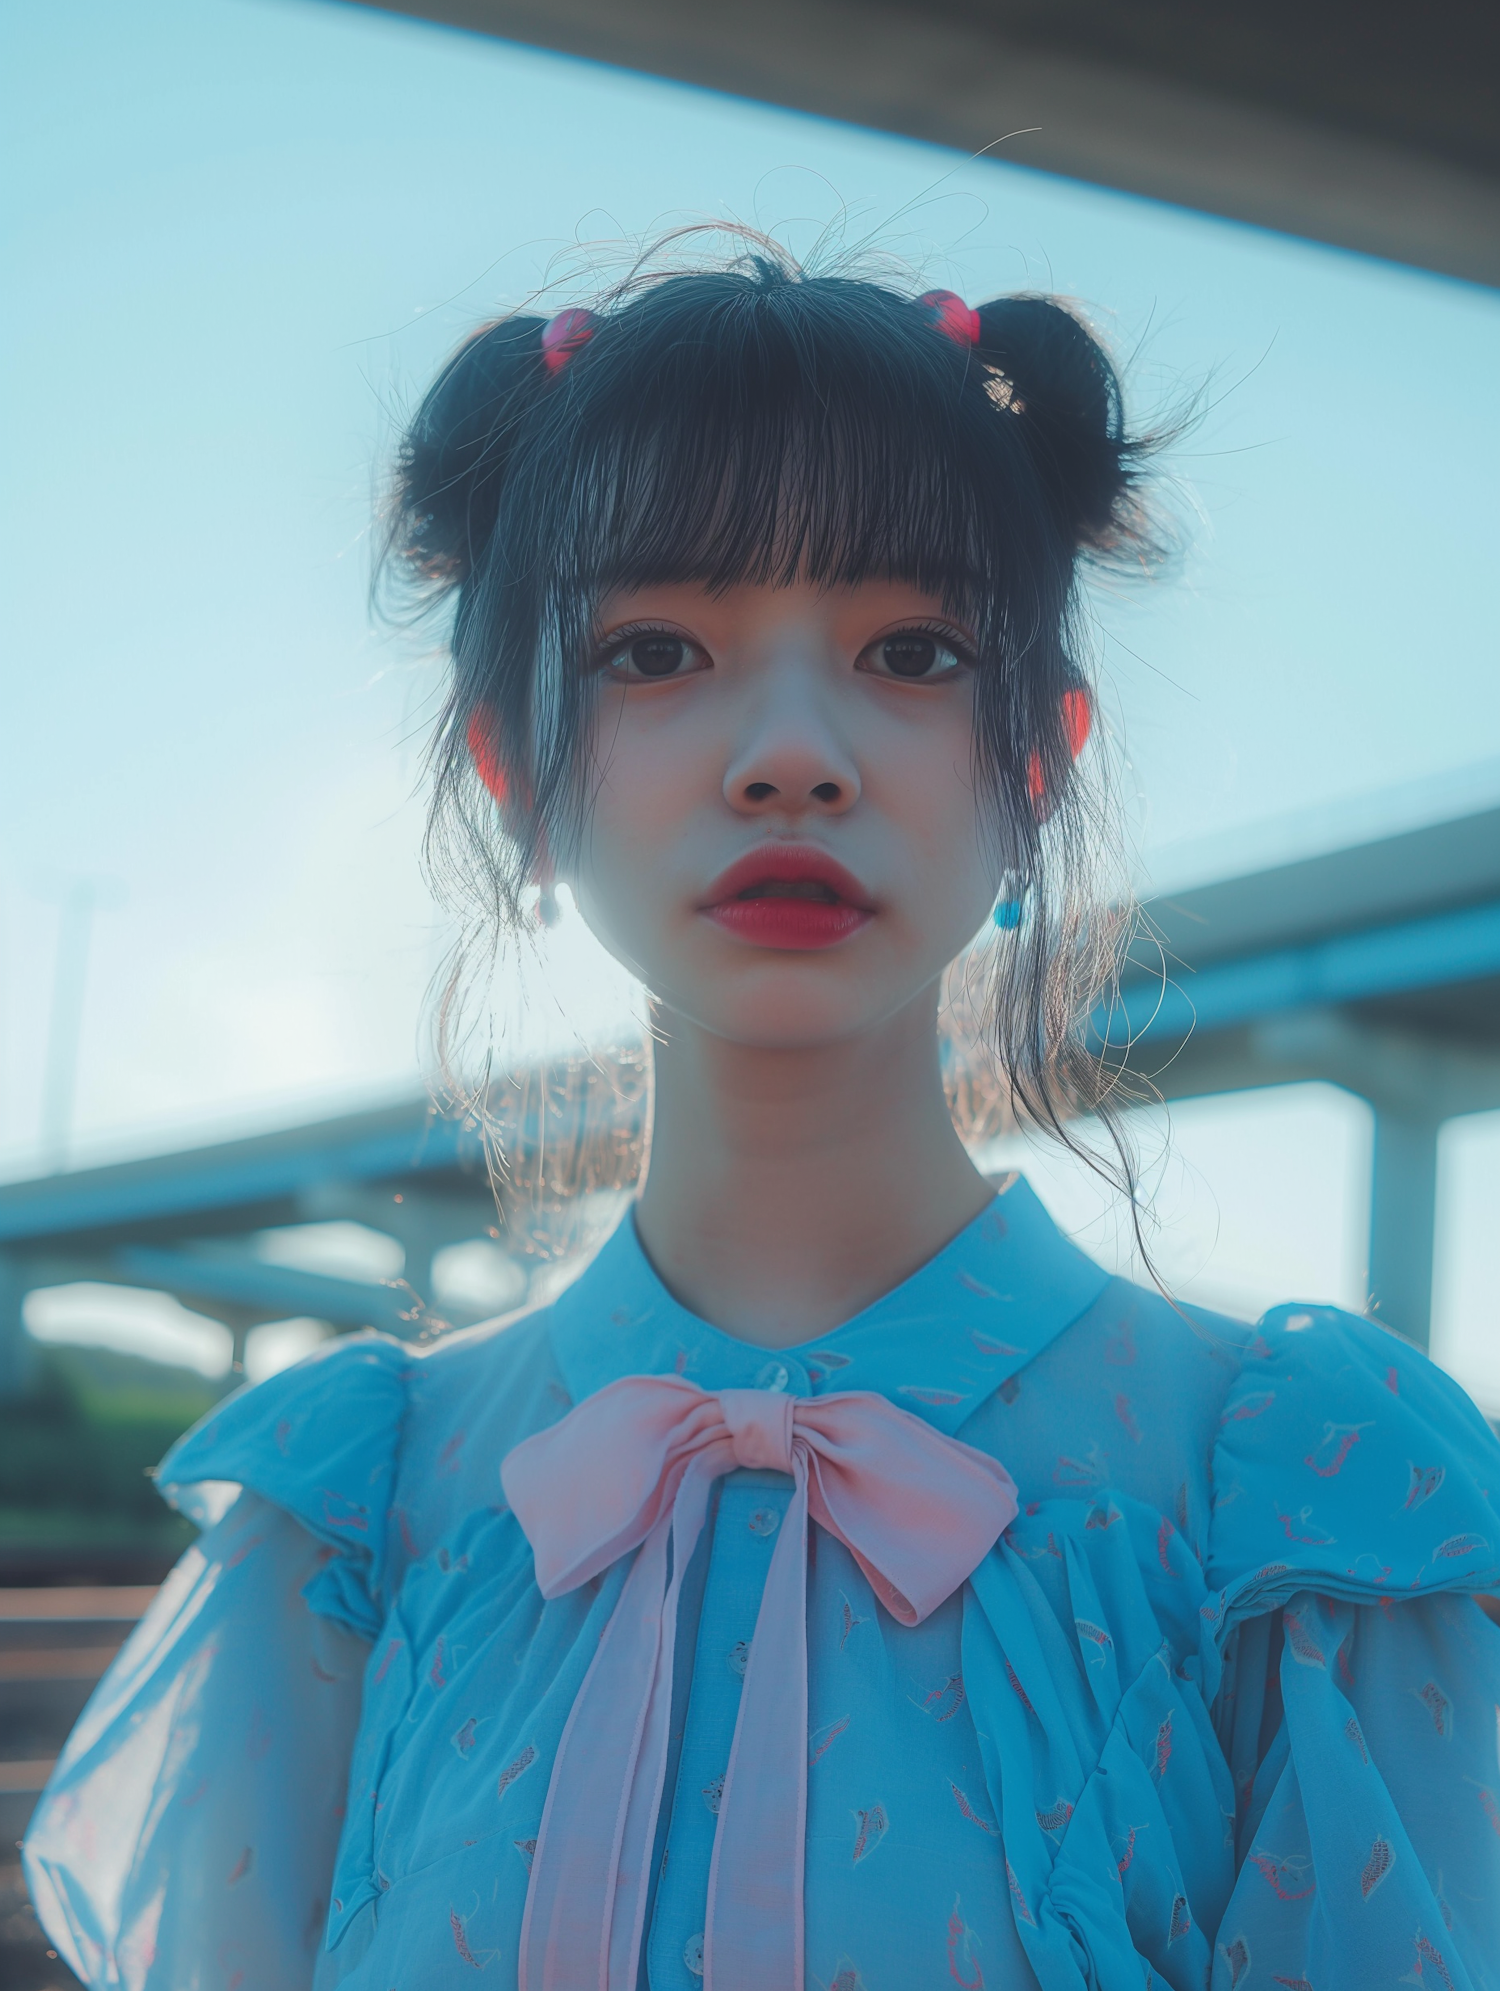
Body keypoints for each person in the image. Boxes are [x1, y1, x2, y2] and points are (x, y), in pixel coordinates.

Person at [25, 245, 1500, 1991]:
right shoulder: (352, 1514)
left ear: (1040, 762)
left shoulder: (1298, 1499)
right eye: (658, 648)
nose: (791, 751)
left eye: (914, 649)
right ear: (512, 764)